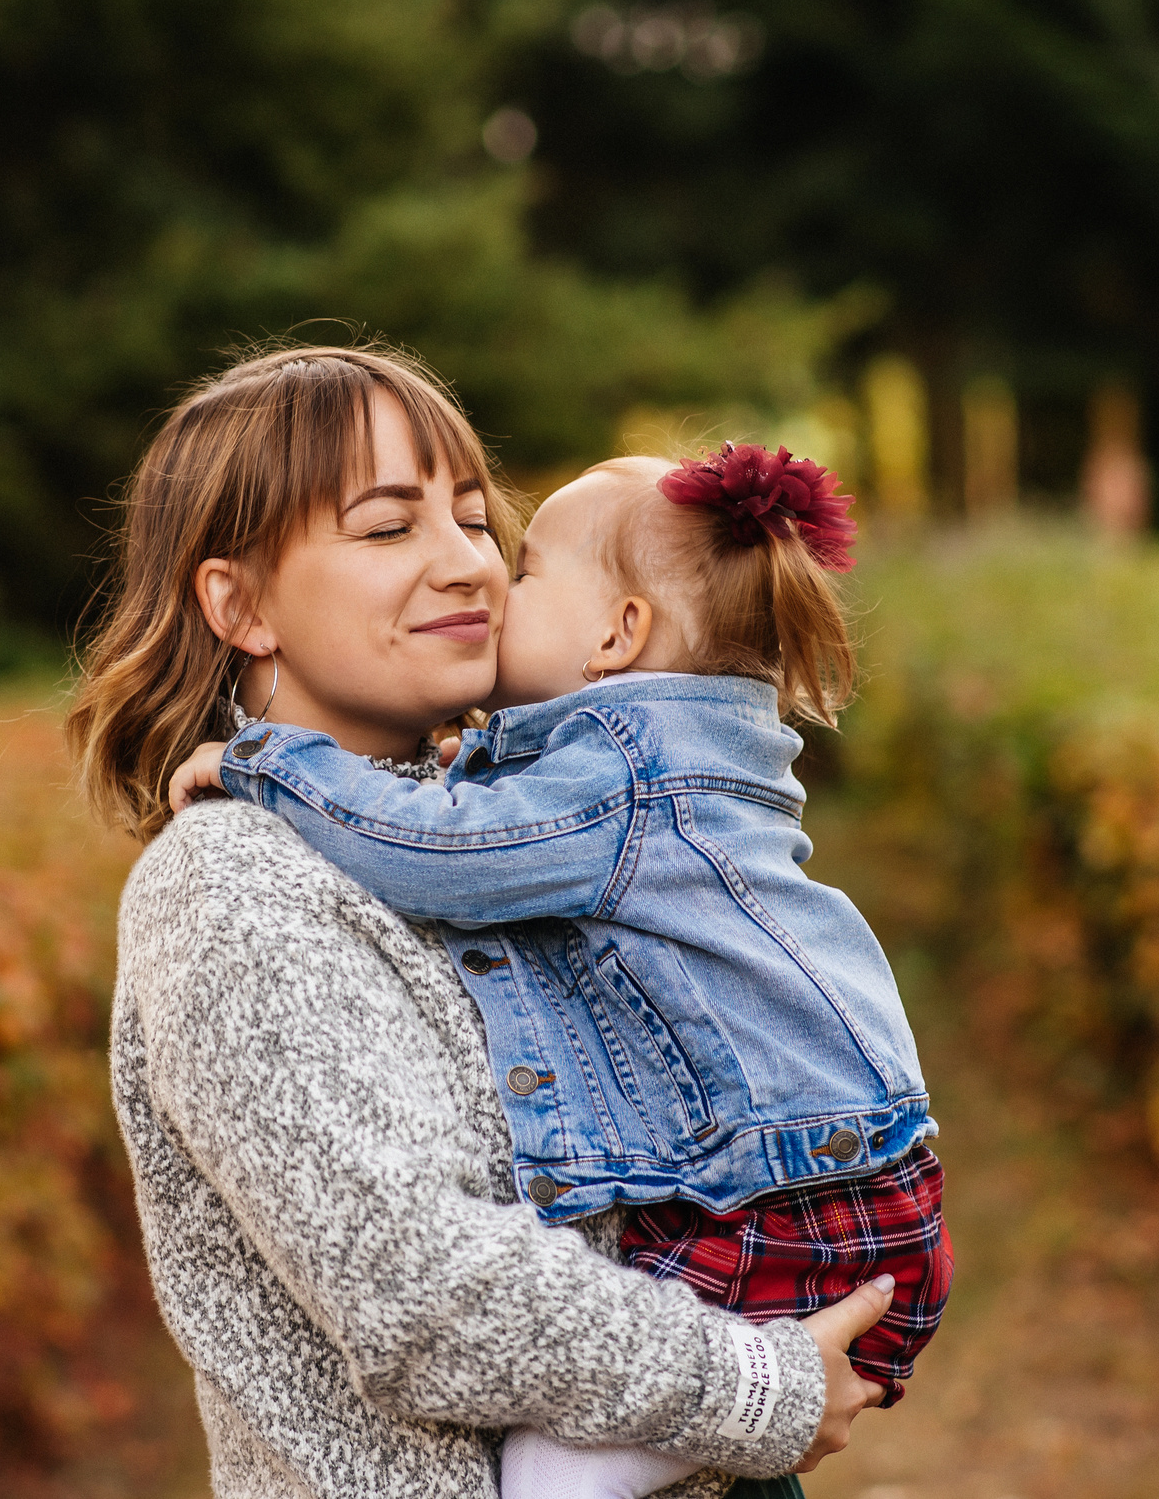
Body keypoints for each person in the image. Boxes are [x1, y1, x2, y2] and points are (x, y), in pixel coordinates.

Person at [67, 344, 896, 1499]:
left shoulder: (509, 823)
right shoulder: (233, 887)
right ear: (239, 602)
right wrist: (750, 1385)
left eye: (474, 520)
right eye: (387, 526)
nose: (468, 566)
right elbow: (419, 1290)